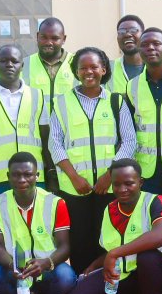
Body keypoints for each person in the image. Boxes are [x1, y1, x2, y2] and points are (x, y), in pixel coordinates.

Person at [64, 158, 162, 294]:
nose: (122, 189)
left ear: (140, 182)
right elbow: (111, 248)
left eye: (129, 183)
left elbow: (160, 236)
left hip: (161, 273)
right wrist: (93, 266)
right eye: (116, 184)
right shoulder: (109, 209)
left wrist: (115, 254)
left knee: (147, 257)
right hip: (126, 273)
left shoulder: (157, 201)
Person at [49, 47, 137, 273]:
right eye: (83, 68)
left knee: (107, 238)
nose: (89, 72)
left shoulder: (116, 102)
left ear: (104, 69)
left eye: (94, 67)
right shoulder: (61, 102)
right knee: (79, 239)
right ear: (76, 72)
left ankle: (106, 288)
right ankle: (82, 285)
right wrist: (74, 177)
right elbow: (55, 144)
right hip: (74, 187)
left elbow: (129, 141)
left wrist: (110, 176)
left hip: (109, 187)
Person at [0, 152, 77, 294]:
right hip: (15, 270)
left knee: (67, 276)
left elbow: (64, 247)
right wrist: (12, 265)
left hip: (46, 268)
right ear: (8, 177)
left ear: (37, 175)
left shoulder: (56, 203)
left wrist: (46, 262)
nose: (22, 179)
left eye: (28, 174)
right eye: (16, 175)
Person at [0, 44, 49, 204]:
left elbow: (46, 140)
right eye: (3, 60)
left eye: (14, 61)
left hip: (33, 178)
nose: (9, 65)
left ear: (22, 65)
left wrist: (51, 174)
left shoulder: (37, 96)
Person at [126, 28, 162, 197]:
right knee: (152, 219)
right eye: (144, 45)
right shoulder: (133, 86)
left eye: (156, 44)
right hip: (147, 172)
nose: (150, 48)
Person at [24, 17, 73, 114]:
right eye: (44, 37)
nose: (48, 42)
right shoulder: (24, 64)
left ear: (64, 39)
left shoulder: (76, 63)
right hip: (36, 127)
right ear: (37, 36)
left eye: (55, 38)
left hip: (67, 127)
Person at [108, 14, 145, 95]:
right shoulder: (108, 69)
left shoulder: (155, 68)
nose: (127, 34)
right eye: (121, 32)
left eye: (133, 30)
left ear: (143, 35)